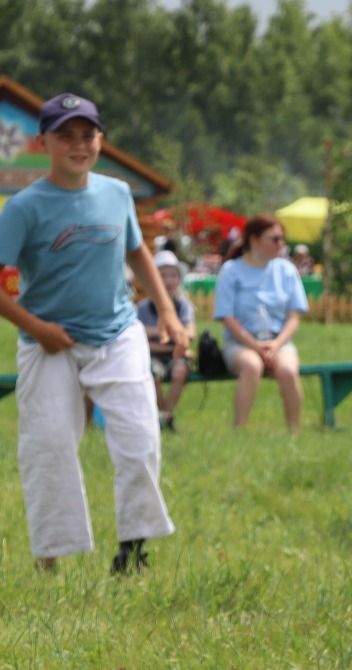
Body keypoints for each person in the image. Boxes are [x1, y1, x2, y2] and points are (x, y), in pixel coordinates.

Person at [0, 92, 189, 574]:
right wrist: (38, 329)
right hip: (50, 343)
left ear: (101, 141)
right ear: (44, 142)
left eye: (89, 135)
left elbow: (137, 252)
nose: (79, 145)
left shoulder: (116, 193)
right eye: (67, 136)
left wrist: (165, 311)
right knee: (50, 445)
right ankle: (51, 556)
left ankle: (133, 550)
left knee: (140, 437)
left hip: (116, 333)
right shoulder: (23, 208)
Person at [214, 214, 310, 431]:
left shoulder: (287, 270)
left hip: (279, 342)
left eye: (282, 239)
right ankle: (239, 430)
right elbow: (227, 318)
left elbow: (295, 316)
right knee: (251, 365)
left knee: (288, 370)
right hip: (240, 344)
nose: (281, 244)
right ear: (254, 240)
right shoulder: (231, 271)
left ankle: (294, 433)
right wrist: (255, 347)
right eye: (274, 239)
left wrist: (275, 345)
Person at [138, 249, 193, 431]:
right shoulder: (143, 307)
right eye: (162, 276)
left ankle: (166, 414)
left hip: (172, 355)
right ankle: (161, 414)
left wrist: (156, 336)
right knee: (153, 373)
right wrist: (172, 337)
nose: (168, 281)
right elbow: (140, 336)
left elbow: (189, 333)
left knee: (180, 370)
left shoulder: (183, 305)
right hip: (154, 356)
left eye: (173, 276)